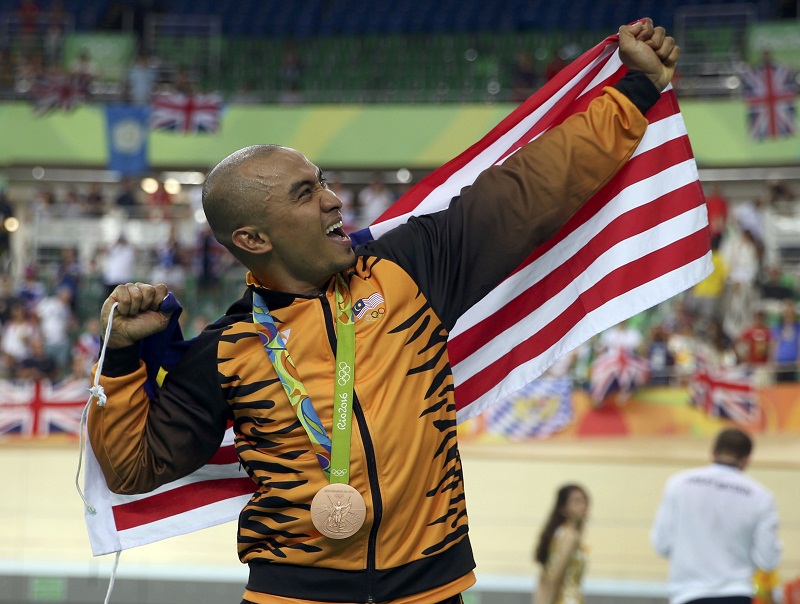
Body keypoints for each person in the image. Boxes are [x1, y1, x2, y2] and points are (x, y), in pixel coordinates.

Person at [88, 20, 679, 604]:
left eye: (320, 182)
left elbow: (530, 187)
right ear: (253, 239)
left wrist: (635, 92)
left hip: (431, 590)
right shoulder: (229, 350)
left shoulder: (408, 267)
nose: (333, 200)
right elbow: (134, 470)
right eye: (304, 194)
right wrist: (119, 358)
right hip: (293, 596)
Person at [651, 428, 782, 604]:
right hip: (738, 593)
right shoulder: (761, 497)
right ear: (747, 459)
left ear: (713, 451)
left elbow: (661, 544)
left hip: (689, 594)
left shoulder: (678, 484)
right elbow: (767, 560)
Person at [532, 484, 590, 604]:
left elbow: (545, 576)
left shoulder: (559, 534)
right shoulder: (570, 535)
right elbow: (556, 576)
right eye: (576, 501)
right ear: (564, 508)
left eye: (585, 500)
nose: (583, 506)